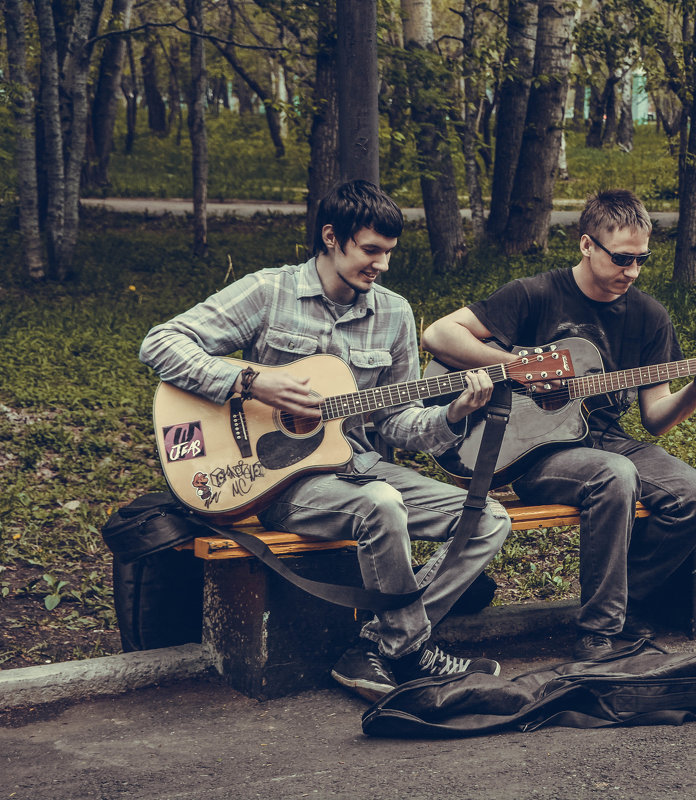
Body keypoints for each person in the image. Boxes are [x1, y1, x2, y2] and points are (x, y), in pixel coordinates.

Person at [139, 180, 511, 700]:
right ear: (331, 237)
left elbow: (396, 422)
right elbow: (161, 342)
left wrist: (453, 413)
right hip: (276, 482)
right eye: (371, 250)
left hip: (357, 466)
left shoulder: (395, 314)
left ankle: (382, 645)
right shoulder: (270, 292)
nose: (381, 264)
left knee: (488, 517)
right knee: (381, 505)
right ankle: (410, 650)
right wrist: (251, 381)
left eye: (389, 253)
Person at [421, 189, 696, 660]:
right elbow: (438, 334)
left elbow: (655, 420)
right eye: (622, 259)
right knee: (614, 474)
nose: (631, 272)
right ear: (587, 245)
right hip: (532, 450)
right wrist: (517, 366)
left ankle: (623, 607)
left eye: (641, 261)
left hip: (608, 439)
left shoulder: (650, 316)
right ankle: (600, 634)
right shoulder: (534, 294)